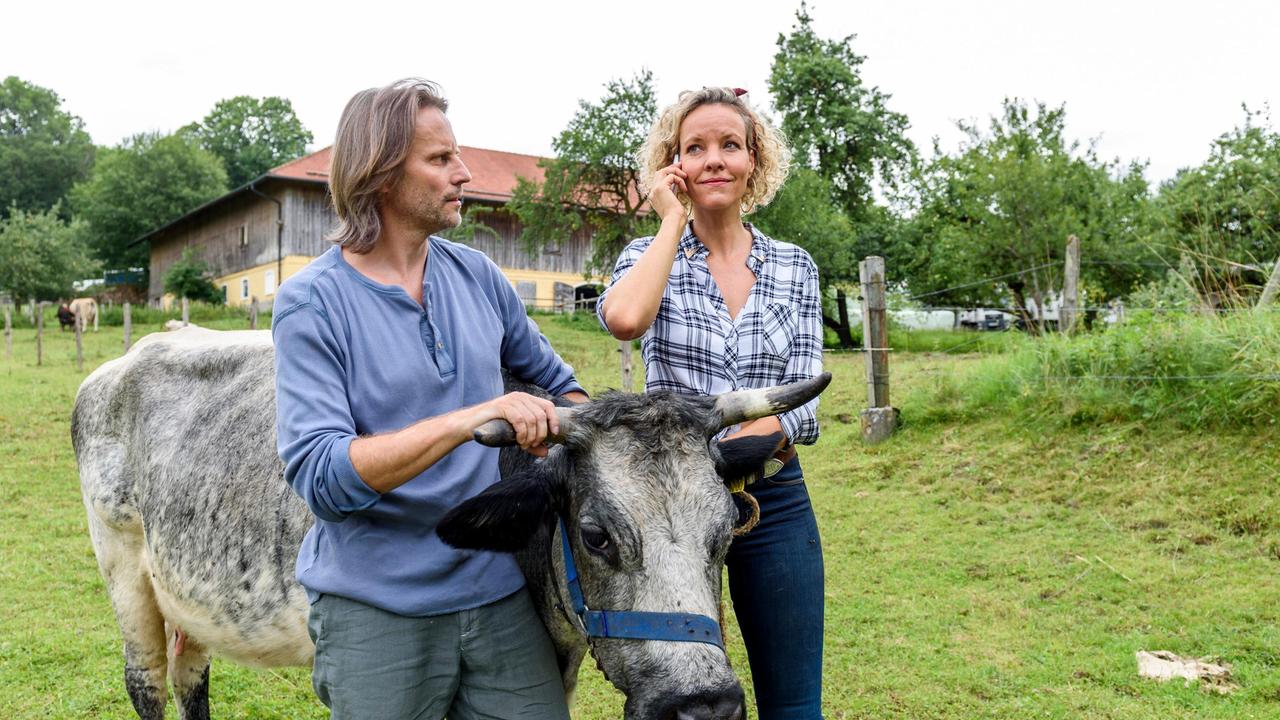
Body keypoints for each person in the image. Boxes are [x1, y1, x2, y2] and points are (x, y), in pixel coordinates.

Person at [272, 78, 584, 720]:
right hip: (377, 607)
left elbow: (566, 389)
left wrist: (559, 422)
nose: (464, 174)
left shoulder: (479, 276)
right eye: (440, 160)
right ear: (383, 174)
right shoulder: (312, 303)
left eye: (457, 156)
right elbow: (324, 479)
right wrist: (471, 419)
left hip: (496, 592)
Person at [597, 87, 826, 719]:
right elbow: (623, 318)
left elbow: (808, 393)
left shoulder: (794, 267)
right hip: (669, 508)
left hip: (771, 496)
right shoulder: (648, 255)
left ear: (755, 160)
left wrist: (760, 431)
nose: (714, 160)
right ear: (674, 166)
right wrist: (670, 218)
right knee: (687, 703)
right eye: (694, 148)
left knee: (795, 705)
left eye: (731, 144)